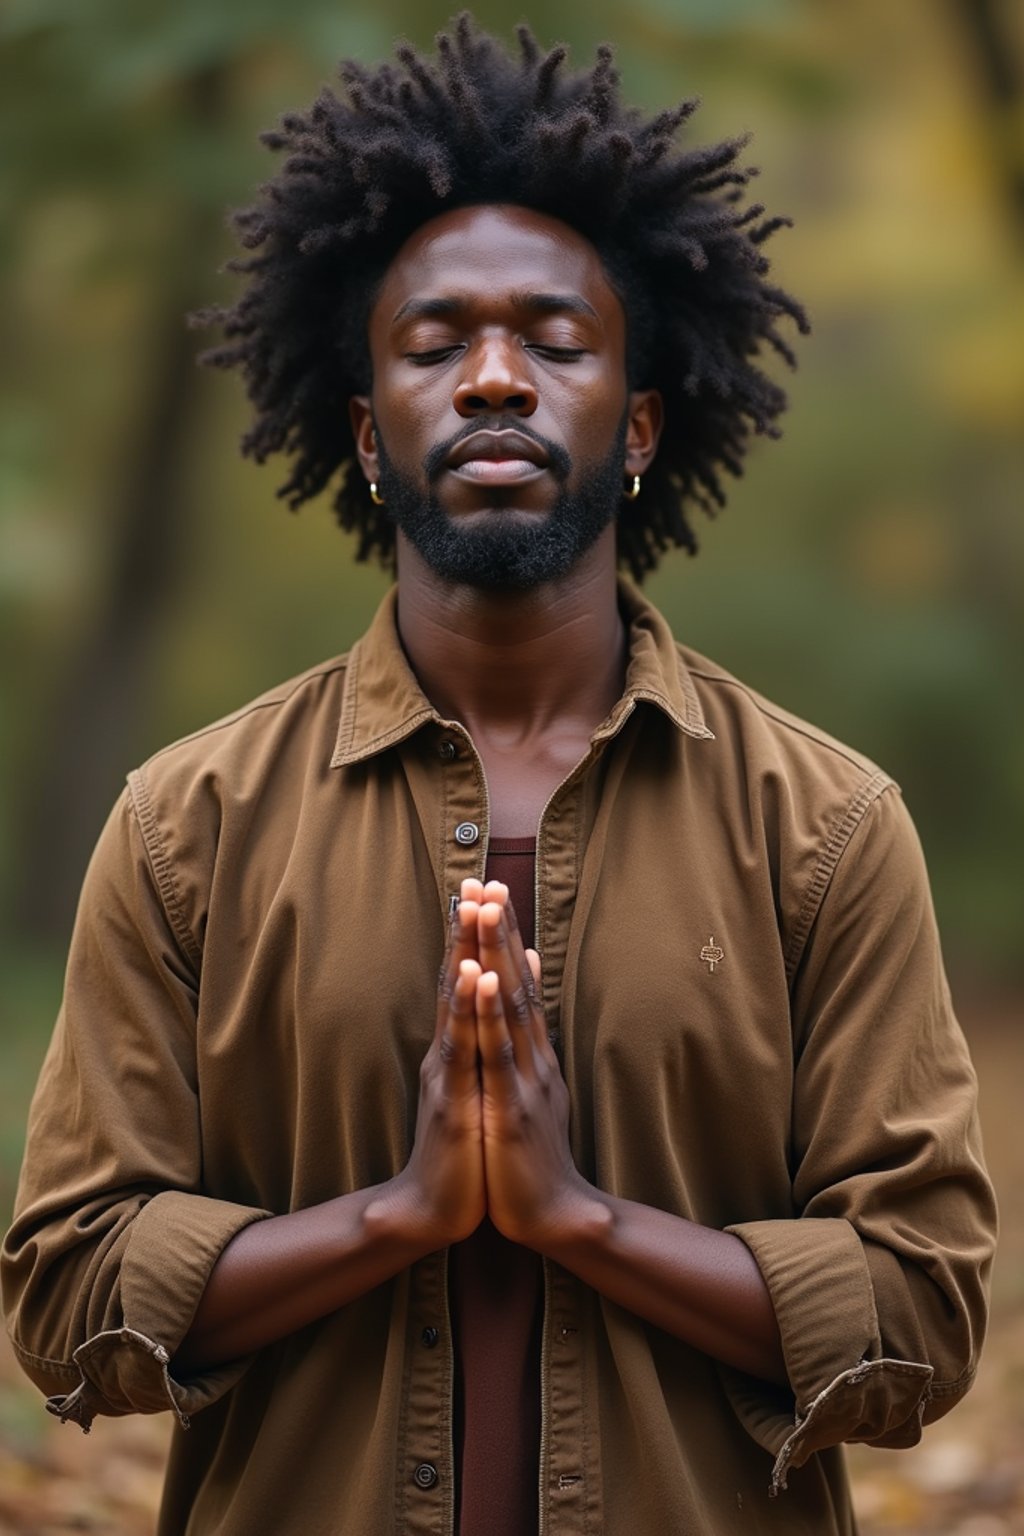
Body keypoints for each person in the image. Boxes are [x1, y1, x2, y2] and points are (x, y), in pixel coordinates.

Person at [2, 18, 997, 1536]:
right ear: (368, 431)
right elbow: (68, 1300)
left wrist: (577, 1223)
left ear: (640, 422)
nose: (490, 380)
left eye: (552, 338)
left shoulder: (828, 828)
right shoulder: (186, 828)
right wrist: (398, 1217)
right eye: (433, 343)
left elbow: (921, 1324)